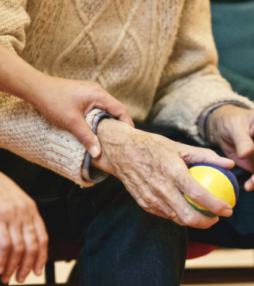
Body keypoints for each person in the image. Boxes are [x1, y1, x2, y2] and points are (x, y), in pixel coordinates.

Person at [1, 0, 254, 285]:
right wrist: (108, 140)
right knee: (143, 187)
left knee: (150, 174)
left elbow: (184, 74)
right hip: (16, 141)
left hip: (131, 137)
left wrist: (222, 116)